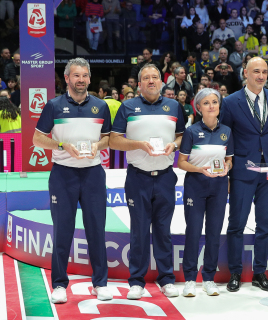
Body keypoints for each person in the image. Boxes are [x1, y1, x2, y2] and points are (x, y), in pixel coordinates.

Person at [32, 58, 112, 303]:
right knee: (63, 230)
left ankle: (100, 283)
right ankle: (59, 284)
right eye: (76, 76)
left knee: (96, 230)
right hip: (63, 174)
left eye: (85, 76)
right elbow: (37, 139)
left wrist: (98, 145)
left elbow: (108, 137)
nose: (81, 80)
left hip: (93, 174)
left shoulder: (101, 106)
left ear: (89, 78)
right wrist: (61, 144)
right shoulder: (54, 106)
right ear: (67, 78)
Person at [109, 64, 185, 298]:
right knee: (139, 230)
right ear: (139, 84)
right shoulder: (128, 106)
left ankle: (166, 279)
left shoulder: (173, 106)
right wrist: (139, 144)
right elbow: (113, 141)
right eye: (146, 78)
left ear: (162, 82)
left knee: (163, 230)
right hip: (137, 177)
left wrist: (175, 144)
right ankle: (136, 281)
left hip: (164, 177)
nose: (151, 81)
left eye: (155, 77)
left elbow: (182, 135)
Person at [220, 57, 268, 293]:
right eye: (256, 71)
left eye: (265, 72)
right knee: (237, 224)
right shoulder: (230, 102)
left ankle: (260, 272)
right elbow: (225, 138)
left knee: (265, 225)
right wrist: (227, 174)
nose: (261, 75)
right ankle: (235, 273)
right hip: (242, 170)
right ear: (245, 73)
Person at [178, 88, 233, 297]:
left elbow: (229, 159)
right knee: (193, 232)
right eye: (207, 103)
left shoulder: (226, 131)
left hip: (218, 187)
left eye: (215, 102)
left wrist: (227, 167)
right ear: (198, 108)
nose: (212, 106)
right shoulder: (191, 132)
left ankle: (209, 277)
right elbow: (182, 162)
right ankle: (190, 279)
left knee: (214, 233)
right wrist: (200, 169)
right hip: (196, 185)